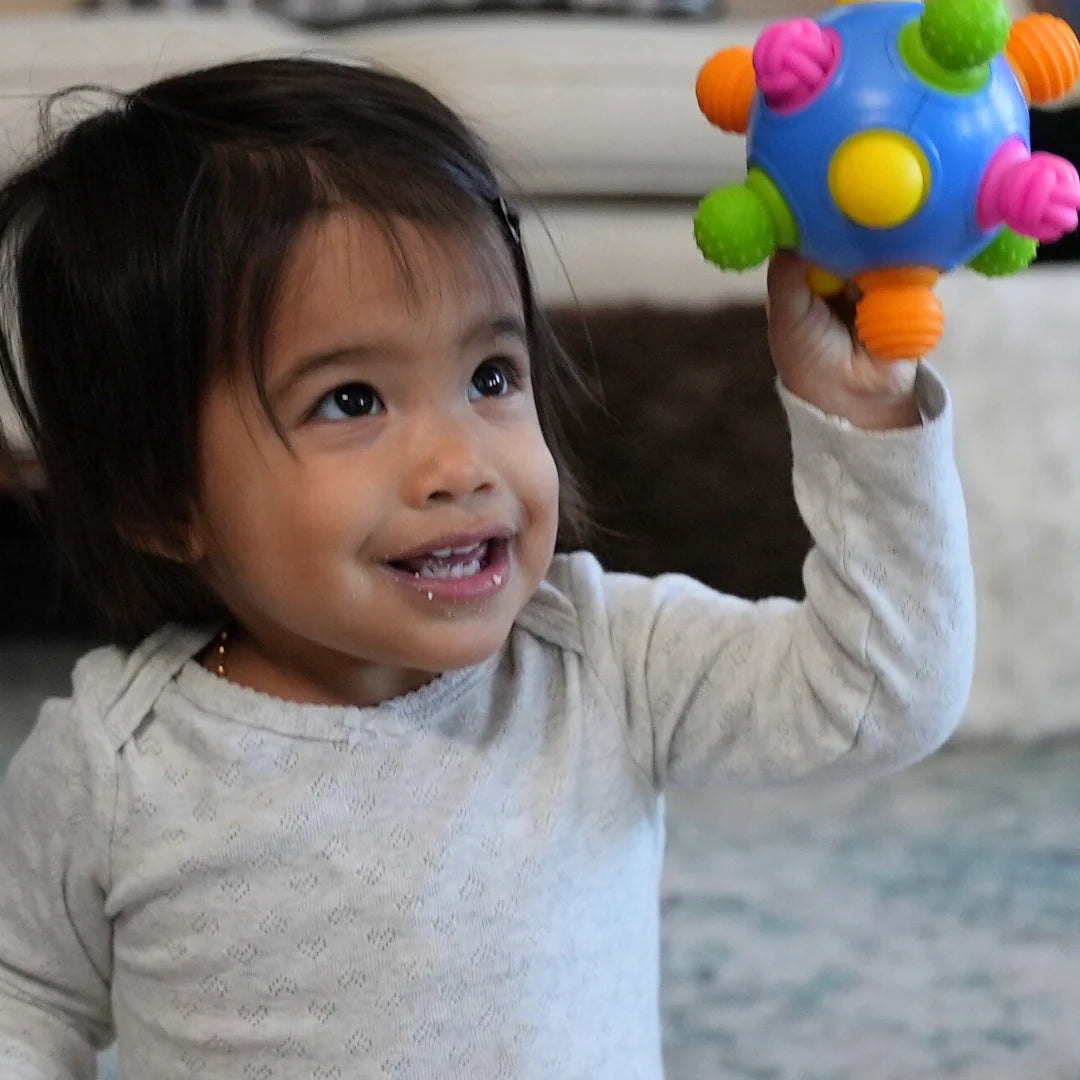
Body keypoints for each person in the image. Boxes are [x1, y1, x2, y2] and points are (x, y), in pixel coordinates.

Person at [0, 56, 975, 1080]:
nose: (461, 464)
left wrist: (864, 414)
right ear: (161, 500)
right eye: (351, 401)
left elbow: (881, 693)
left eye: (490, 376)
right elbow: (28, 998)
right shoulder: (118, 767)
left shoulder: (603, 663)